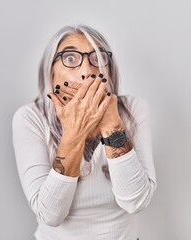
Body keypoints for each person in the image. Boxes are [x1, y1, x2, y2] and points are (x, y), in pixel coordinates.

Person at [12, 25, 156, 240]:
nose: (87, 71)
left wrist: (111, 123)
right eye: (70, 58)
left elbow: (135, 201)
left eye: (97, 58)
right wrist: (74, 132)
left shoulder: (133, 109)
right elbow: (50, 214)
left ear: (109, 70)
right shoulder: (30, 118)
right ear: (50, 71)